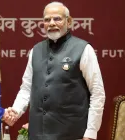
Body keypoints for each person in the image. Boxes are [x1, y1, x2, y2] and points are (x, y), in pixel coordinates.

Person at [8, 2, 106, 140]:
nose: (51, 23)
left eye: (57, 19)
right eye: (47, 20)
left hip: (72, 133)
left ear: (69, 21)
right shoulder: (35, 50)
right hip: (38, 134)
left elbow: (97, 93)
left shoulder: (83, 49)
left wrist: (90, 132)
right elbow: (26, 88)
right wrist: (16, 110)